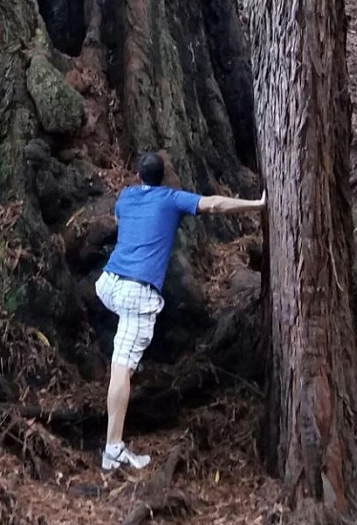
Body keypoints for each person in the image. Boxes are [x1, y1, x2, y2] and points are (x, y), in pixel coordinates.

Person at [95, 151, 266, 471]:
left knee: (126, 347)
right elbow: (214, 204)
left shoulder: (127, 196)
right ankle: (113, 449)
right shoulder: (172, 199)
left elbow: (120, 221)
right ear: (164, 177)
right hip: (136, 292)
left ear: (138, 175)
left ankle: (129, 361)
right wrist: (256, 205)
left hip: (108, 285)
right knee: (122, 367)